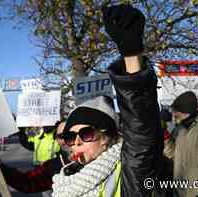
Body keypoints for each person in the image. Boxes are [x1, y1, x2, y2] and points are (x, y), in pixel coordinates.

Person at [51, 5, 162, 197]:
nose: (76, 142)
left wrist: (131, 54)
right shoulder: (64, 179)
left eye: (85, 134)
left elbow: (140, 126)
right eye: (70, 137)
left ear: (105, 139)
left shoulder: (130, 171)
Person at [0, 120, 70, 195]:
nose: (66, 139)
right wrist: (1, 168)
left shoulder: (78, 163)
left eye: (70, 134)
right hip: (45, 169)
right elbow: (27, 182)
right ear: (57, 139)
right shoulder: (53, 165)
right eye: (61, 136)